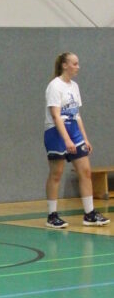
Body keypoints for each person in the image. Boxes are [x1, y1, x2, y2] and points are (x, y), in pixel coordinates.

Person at [44, 51, 109, 228]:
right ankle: (52, 215)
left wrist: (84, 139)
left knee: (85, 171)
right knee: (56, 173)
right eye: (74, 64)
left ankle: (89, 213)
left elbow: (77, 115)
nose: (78, 67)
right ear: (64, 65)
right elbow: (56, 116)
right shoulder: (54, 86)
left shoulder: (74, 86)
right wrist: (67, 140)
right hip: (56, 131)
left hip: (74, 130)